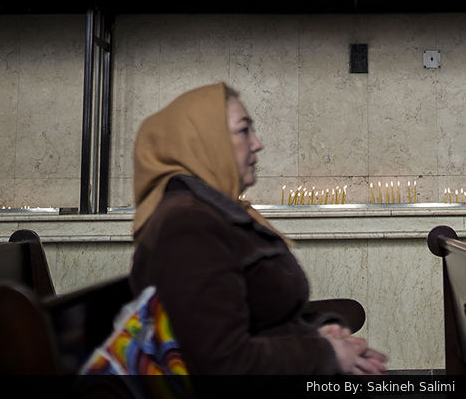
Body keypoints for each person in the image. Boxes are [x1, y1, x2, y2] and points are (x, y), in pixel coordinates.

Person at [130, 83, 388, 375]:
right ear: (205, 142)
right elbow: (220, 364)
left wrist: (320, 334)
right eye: (243, 131)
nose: (257, 143)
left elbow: (261, 323)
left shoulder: (210, 214)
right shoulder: (188, 225)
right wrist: (325, 354)